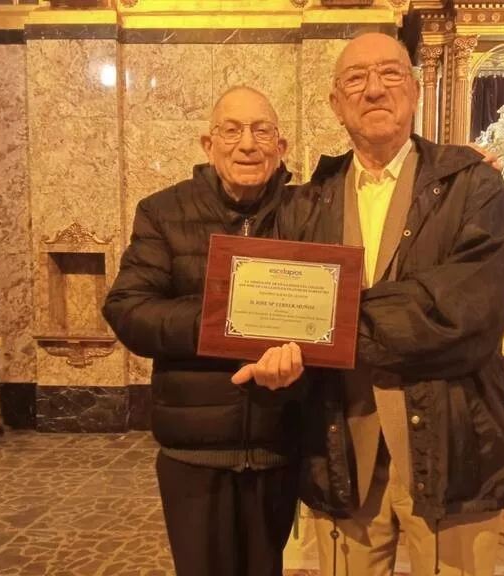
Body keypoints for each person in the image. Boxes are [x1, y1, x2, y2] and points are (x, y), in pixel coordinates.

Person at [270, 33, 504, 576]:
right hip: (341, 446)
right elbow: (276, 304)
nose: (374, 90)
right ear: (336, 104)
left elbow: (466, 315)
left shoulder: (473, 186)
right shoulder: (307, 202)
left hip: (451, 445)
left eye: (389, 74)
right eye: (355, 79)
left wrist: (331, 324)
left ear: (413, 90)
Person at [102, 86, 304, 576]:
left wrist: (456, 174)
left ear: (282, 147)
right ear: (207, 144)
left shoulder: (310, 210)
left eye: (262, 130)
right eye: (230, 130)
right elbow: (127, 309)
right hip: (194, 449)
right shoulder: (163, 212)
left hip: (280, 441)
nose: (247, 144)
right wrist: (224, 321)